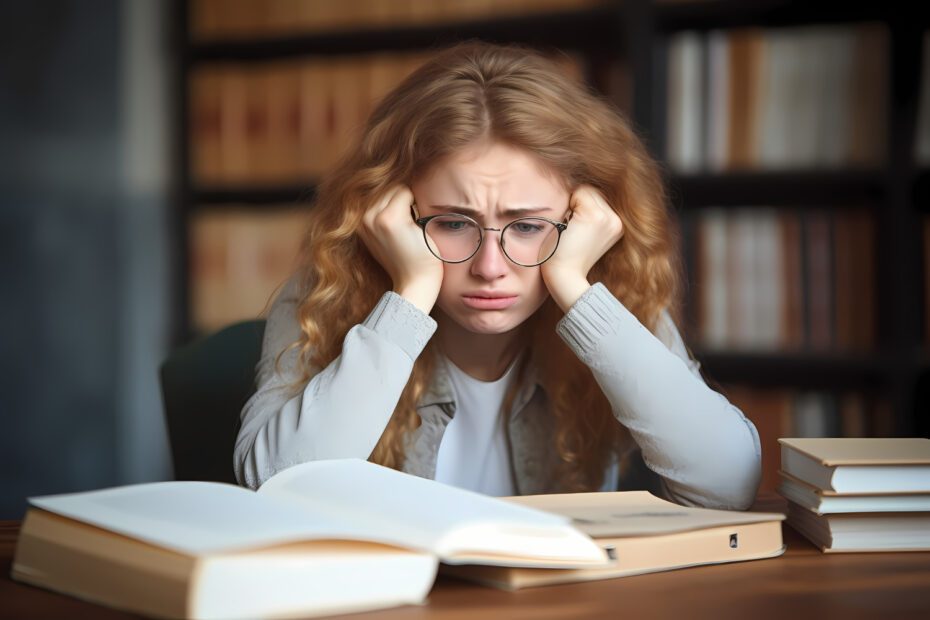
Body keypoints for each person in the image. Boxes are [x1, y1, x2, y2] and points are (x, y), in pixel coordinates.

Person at [234, 40, 762, 510]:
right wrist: (410, 296)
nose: (490, 268)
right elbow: (273, 492)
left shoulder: (610, 292)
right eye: (452, 223)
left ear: (584, 220)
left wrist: (577, 291)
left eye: (528, 226)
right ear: (391, 216)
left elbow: (726, 482)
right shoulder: (327, 295)